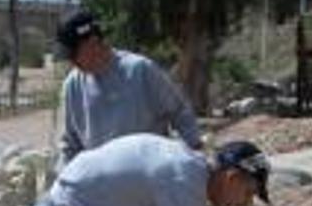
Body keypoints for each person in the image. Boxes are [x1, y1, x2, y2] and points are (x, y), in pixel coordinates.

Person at [54, 10, 202, 167]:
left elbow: (180, 112)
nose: (72, 62)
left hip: (150, 177)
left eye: (74, 54)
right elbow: (69, 144)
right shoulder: (73, 85)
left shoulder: (140, 70)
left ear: (93, 42)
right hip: (101, 185)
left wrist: (194, 155)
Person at [30, 134, 271, 206]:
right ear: (231, 178)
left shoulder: (186, 164)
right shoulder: (186, 185)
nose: (245, 203)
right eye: (248, 193)